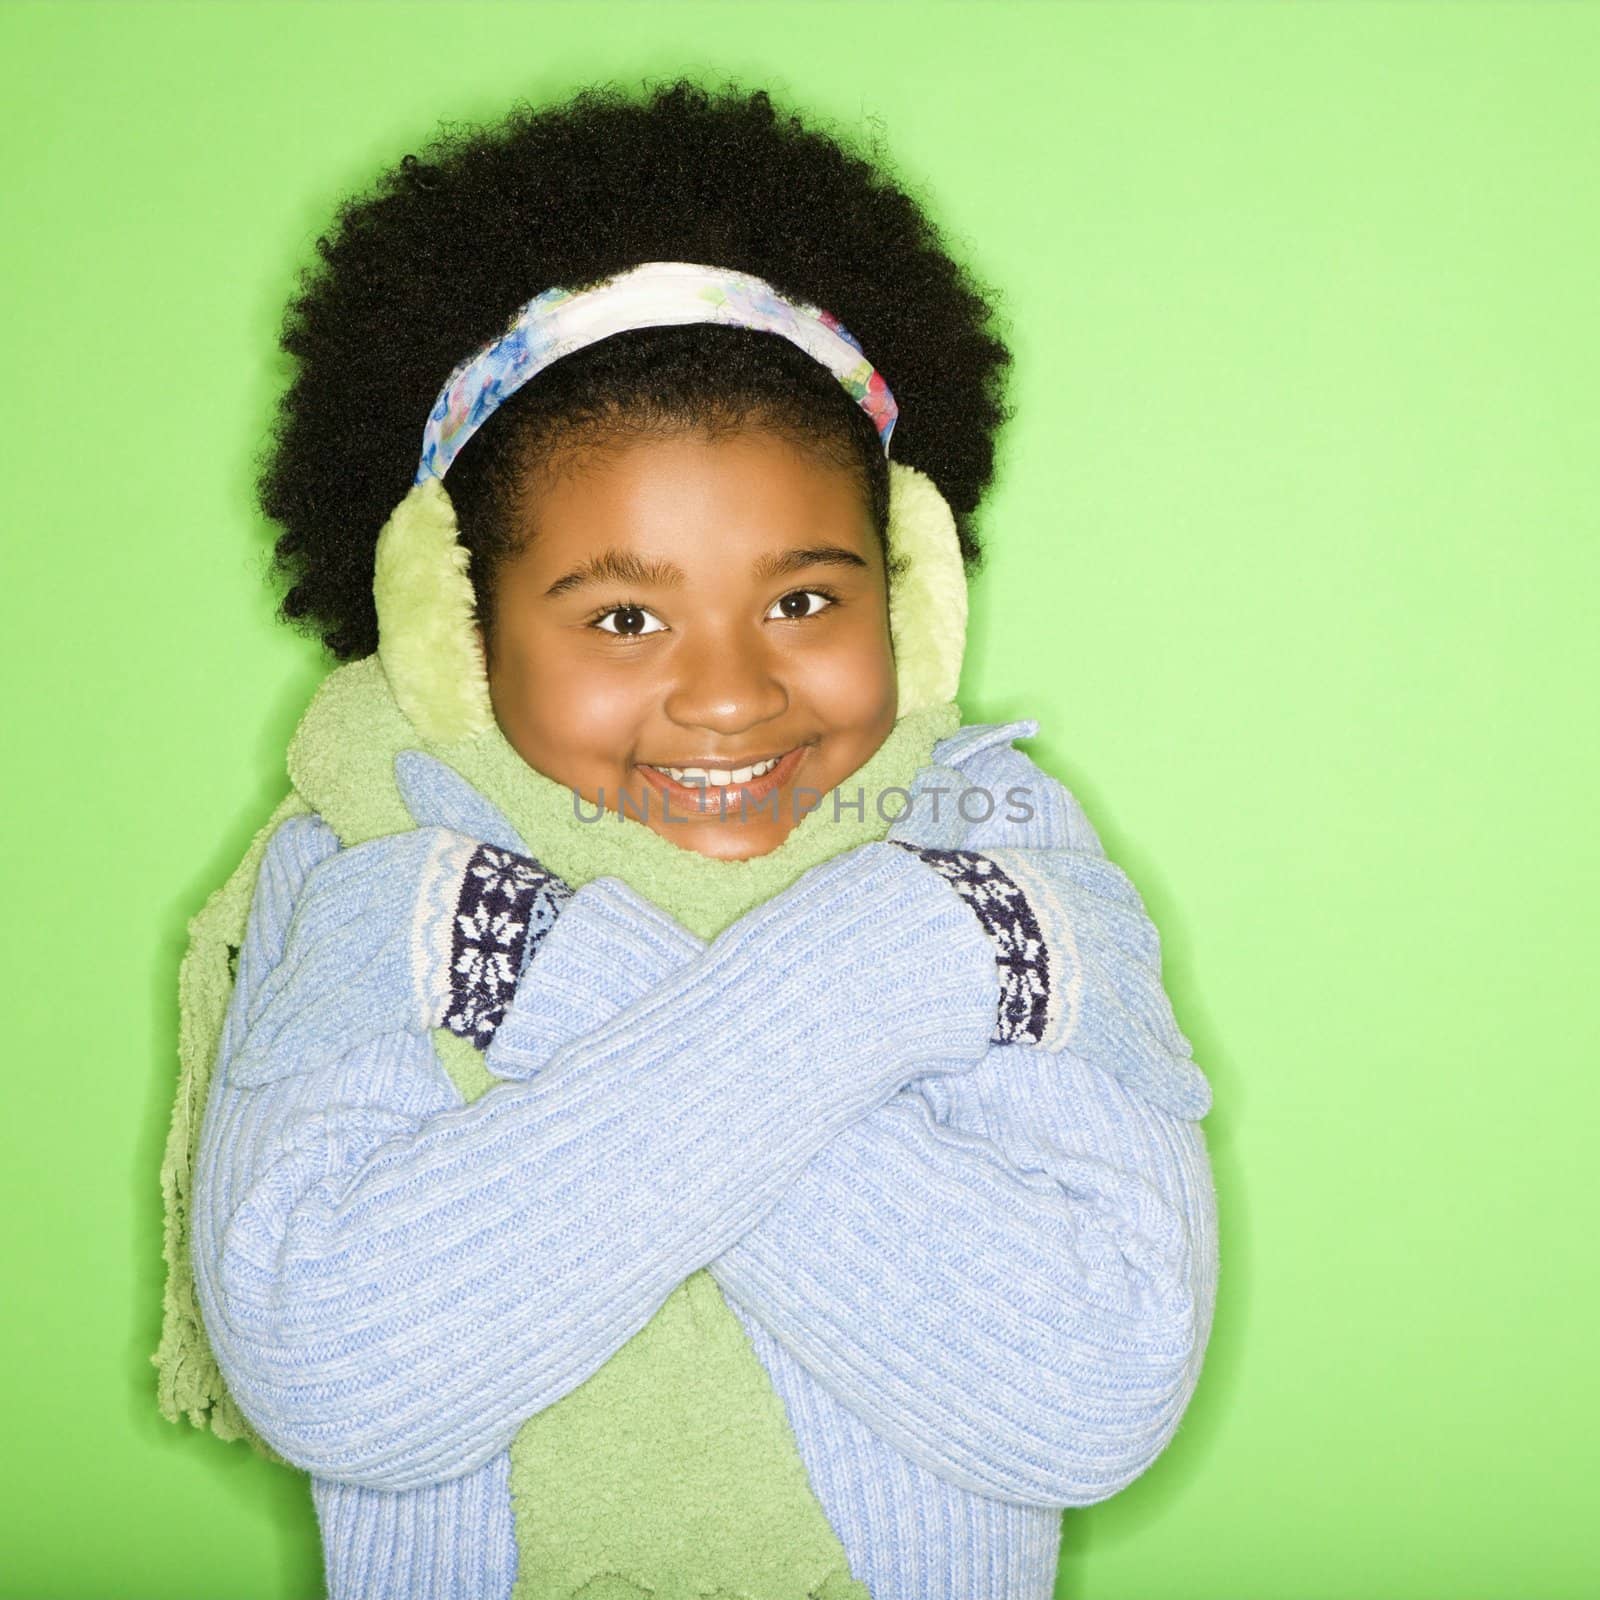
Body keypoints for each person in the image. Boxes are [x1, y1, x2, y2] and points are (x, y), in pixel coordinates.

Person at [154, 77, 1219, 1600]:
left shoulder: (1013, 850)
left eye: (803, 599)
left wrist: (529, 971)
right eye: (626, 615)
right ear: (451, 624)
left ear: (910, 587)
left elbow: (1090, 1385)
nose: (729, 693)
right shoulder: (364, 862)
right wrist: (896, 964)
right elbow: (340, 1368)